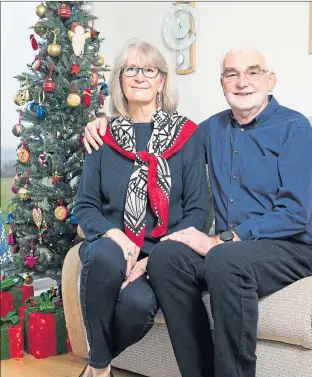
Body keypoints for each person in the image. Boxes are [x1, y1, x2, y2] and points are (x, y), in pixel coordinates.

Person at [84, 45, 312, 377]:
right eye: (231, 74)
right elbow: (159, 139)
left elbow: (296, 213)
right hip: (232, 249)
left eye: (252, 72)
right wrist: (100, 123)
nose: (242, 82)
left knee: (224, 258)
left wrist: (224, 239)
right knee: (168, 256)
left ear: (270, 80)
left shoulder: (293, 128)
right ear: (222, 83)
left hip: (289, 247)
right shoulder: (209, 131)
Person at [74, 39, 209, 377]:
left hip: (163, 253)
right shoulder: (101, 137)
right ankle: (102, 370)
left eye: (149, 70)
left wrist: (155, 258)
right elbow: (86, 206)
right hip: (112, 245)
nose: (139, 77)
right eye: (130, 69)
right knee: (103, 255)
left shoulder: (188, 135)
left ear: (162, 80)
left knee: (138, 306)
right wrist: (116, 234)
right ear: (120, 79)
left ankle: (93, 366)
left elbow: (197, 211)